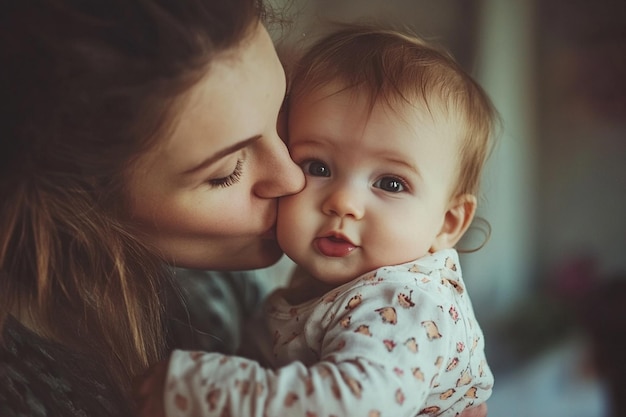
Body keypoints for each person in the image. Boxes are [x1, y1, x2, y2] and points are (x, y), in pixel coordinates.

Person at [137, 25, 497, 417]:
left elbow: (355, 405)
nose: (343, 203)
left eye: (390, 182)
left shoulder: (405, 301)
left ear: (447, 222)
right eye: (317, 166)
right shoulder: (327, 286)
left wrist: (197, 390)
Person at [0, 1, 306, 416]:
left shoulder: (221, 290)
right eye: (227, 172)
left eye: (282, 113)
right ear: (74, 197)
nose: (293, 179)